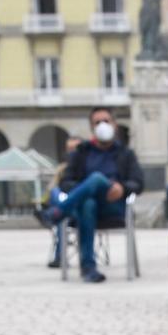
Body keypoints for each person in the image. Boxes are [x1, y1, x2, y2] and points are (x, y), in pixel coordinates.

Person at [45, 106, 144, 283]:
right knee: (88, 201)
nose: (102, 125)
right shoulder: (81, 153)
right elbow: (66, 182)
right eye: (97, 122)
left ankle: (59, 212)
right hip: (87, 207)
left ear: (114, 124)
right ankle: (89, 268)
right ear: (91, 127)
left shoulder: (126, 154)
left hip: (114, 205)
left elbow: (138, 183)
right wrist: (85, 187)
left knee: (97, 179)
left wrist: (122, 187)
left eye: (106, 121)